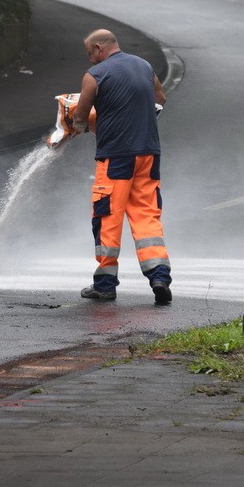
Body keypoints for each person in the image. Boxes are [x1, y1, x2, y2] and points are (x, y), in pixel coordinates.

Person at [69, 29, 172, 304]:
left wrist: (78, 125)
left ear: (100, 48)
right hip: (148, 153)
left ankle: (104, 284)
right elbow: (159, 99)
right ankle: (159, 276)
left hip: (116, 157)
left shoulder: (95, 76)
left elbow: (80, 115)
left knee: (107, 219)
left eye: (90, 53)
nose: (90, 60)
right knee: (146, 215)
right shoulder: (144, 65)